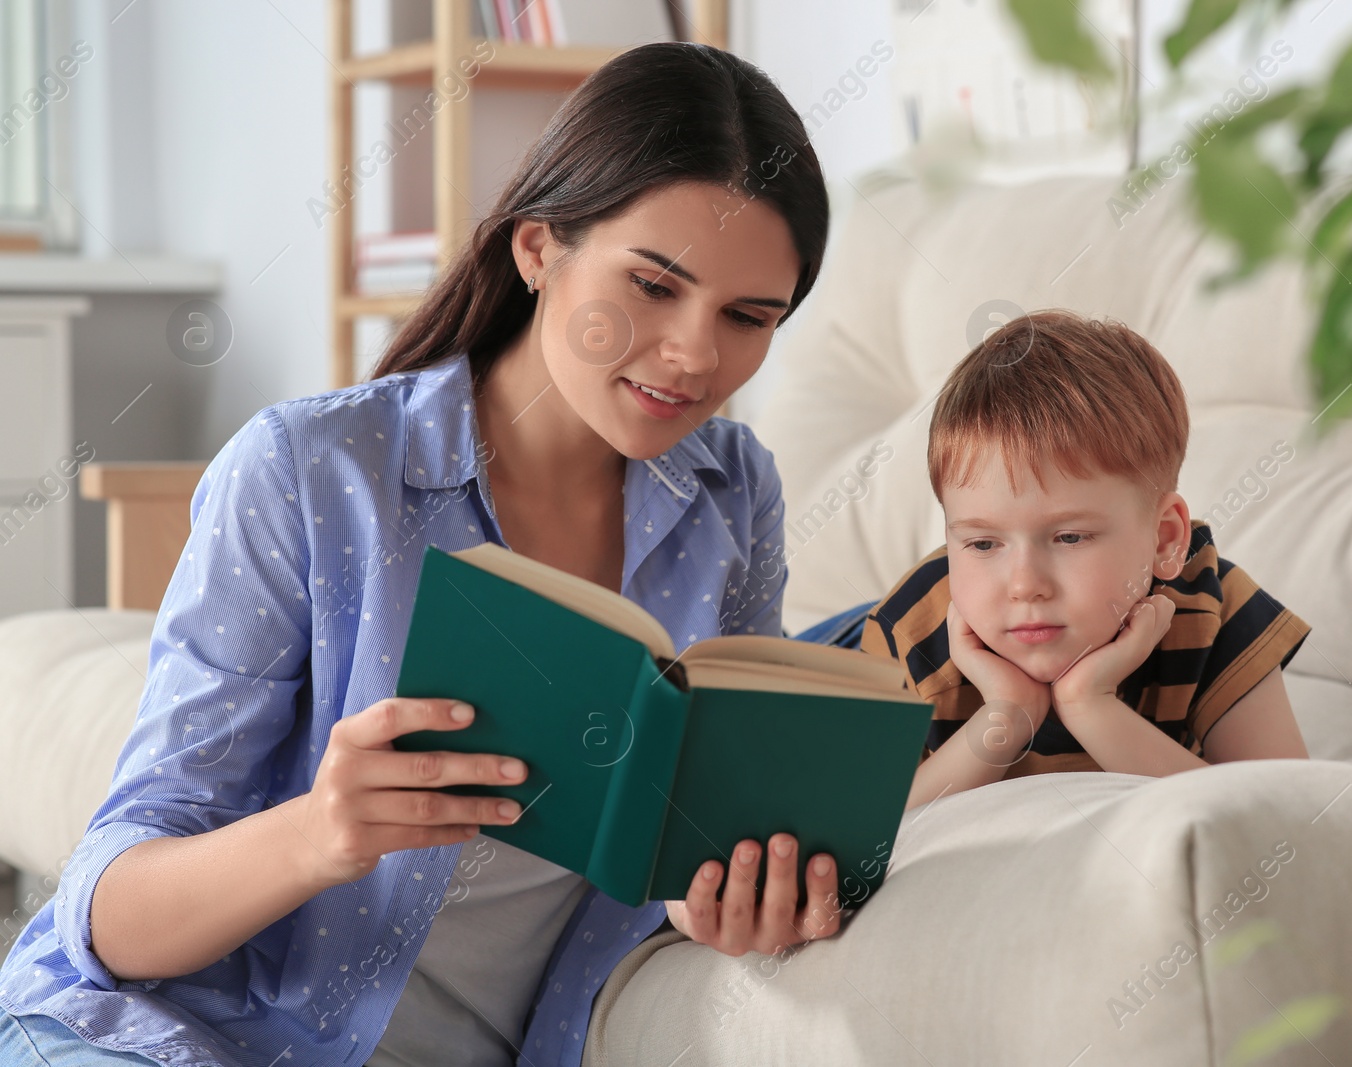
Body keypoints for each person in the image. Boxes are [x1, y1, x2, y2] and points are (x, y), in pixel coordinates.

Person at [0, 42, 843, 1067]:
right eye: (654, 286)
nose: (696, 354)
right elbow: (110, 914)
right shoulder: (311, 471)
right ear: (538, 247)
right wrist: (319, 831)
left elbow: (705, 822)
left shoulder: (730, 493)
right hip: (178, 1034)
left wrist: (728, 888)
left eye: (748, 317)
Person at [859, 310, 1313, 811]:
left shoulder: (1213, 609)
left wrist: (1090, 706)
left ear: (1164, 541)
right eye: (983, 544)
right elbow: (862, 834)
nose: (1024, 585)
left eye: (1070, 537)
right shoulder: (908, 633)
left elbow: (1283, 819)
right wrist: (1006, 717)